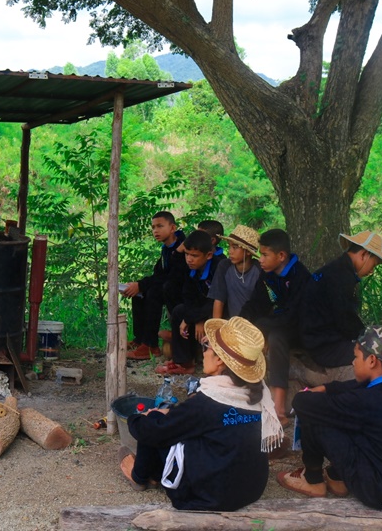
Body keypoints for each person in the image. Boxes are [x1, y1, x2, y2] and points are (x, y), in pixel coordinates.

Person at [121, 317, 285, 511]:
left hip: (208, 496)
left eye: (207, 348)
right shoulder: (256, 396)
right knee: (172, 422)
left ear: (219, 360)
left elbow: (156, 431)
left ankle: (139, 475)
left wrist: (137, 418)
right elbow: (208, 419)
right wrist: (171, 412)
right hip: (251, 490)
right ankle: (154, 474)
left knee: (154, 422)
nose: (204, 353)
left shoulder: (207, 403)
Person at [278, 326, 382, 509]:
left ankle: (312, 479)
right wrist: (327, 388)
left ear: (372, 360)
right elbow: (356, 386)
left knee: (316, 415)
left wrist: (309, 393)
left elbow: (302, 403)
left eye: (356, 357)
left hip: (378, 491)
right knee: (357, 426)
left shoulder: (363, 401)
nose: (353, 363)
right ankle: (336, 476)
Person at [297, 230, 382, 387]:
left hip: (317, 337)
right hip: (324, 346)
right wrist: (367, 337)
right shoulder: (342, 278)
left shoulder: (335, 270)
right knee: (376, 353)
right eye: (374, 265)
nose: (372, 271)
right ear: (364, 255)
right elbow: (346, 320)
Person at [239, 228, 310, 422]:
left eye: (264, 255)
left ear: (281, 256)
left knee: (276, 337)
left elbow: (294, 317)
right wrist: (239, 324)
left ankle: (278, 408)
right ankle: (242, 390)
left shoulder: (300, 276)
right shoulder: (267, 274)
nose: (260, 259)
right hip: (279, 323)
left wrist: (262, 327)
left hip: (303, 329)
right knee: (249, 330)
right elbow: (256, 304)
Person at [122, 211, 186, 360]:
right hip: (168, 286)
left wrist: (141, 284)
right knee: (139, 294)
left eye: (160, 226)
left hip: (184, 290)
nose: (155, 231)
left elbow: (172, 277)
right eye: (153, 227)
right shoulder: (166, 249)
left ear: (172, 228)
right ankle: (140, 340)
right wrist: (137, 286)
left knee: (153, 292)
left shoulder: (182, 247)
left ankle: (151, 345)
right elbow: (159, 274)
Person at [157, 230, 217, 375]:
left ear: (208, 255)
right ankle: (184, 362)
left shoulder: (218, 267)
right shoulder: (192, 268)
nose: (189, 259)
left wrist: (197, 318)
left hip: (217, 311)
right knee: (179, 311)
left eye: (194, 256)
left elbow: (217, 300)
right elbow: (188, 295)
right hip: (200, 308)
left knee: (187, 313)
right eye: (187, 254)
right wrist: (190, 318)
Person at [209, 225, 261, 319]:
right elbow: (219, 300)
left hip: (254, 323)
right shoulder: (224, 266)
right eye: (229, 246)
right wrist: (216, 324)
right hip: (231, 322)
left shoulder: (259, 269)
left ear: (248, 252)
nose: (230, 251)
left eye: (235, 247)